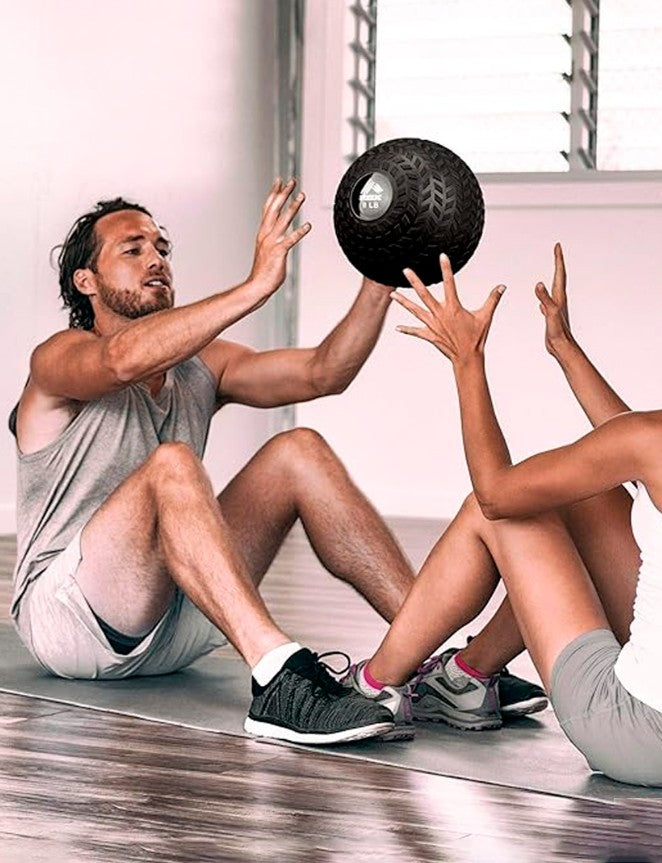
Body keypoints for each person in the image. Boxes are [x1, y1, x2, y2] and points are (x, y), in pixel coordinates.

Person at [9, 178, 543, 747]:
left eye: (162, 248)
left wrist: (379, 276)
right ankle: (278, 683)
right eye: (132, 249)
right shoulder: (58, 360)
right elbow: (120, 360)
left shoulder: (200, 367)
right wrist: (256, 286)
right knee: (173, 464)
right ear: (84, 281)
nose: (155, 260)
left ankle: (430, 662)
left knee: (298, 450)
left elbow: (324, 372)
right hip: (72, 623)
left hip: (177, 619)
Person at [343, 214, 662, 786]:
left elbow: (496, 493)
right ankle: (465, 678)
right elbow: (630, 447)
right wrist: (564, 348)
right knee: (590, 500)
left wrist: (468, 359)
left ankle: (369, 689)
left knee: (497, 512)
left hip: (646, 740)